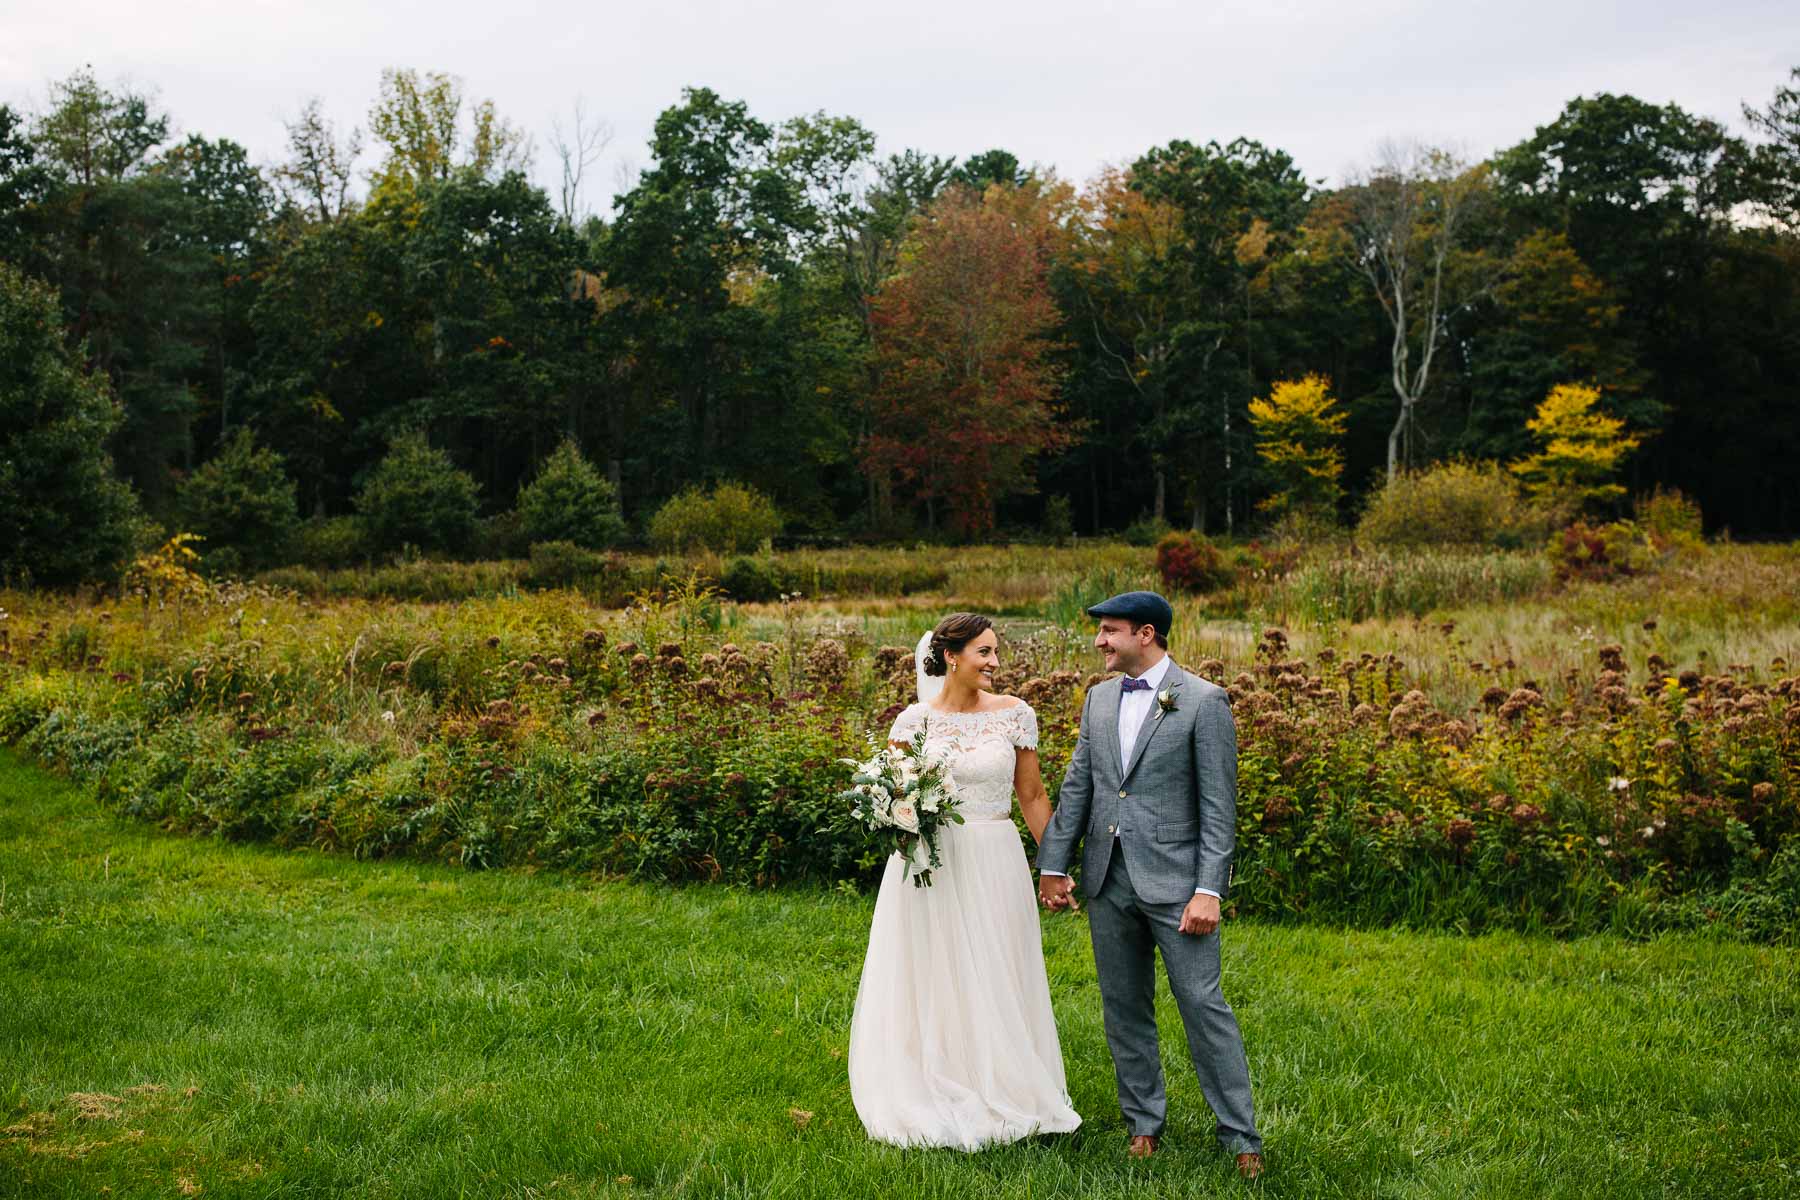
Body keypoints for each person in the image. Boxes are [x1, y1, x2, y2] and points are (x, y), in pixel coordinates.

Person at [1036, 591, 1265, 1178]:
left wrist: (1210, 889)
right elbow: (1079, 786)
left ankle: (1241, 1136)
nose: (1098, 641)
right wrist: (1055, 865)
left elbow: (1219, 808)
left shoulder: (1204, 702)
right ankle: (1143, 1124)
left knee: (1202, 1005)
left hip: (1180, 886)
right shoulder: (1098, 701)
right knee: (1123, 1007)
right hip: (1108, 880)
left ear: (1146, 634)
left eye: (1109, 631)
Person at [847, 612, 1081, 1150]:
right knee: (937, 969)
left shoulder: (1016, 715)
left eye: (996, 652)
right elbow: (896, 794)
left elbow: (1032, 796)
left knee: (1000, 967)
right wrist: (896, 819)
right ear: (951, 656)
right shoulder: (912, 723)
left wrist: (1056, 864)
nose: (996, 663)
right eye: (985, 652)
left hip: (996, 857)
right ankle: (937, 1078)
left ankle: (1006, 1081)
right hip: (932, 863)